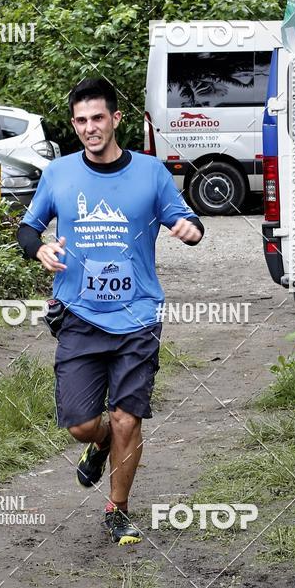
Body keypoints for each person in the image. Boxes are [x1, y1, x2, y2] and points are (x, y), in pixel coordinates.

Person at [17, 77, 203, 545]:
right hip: (78, 314)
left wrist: (189, 229)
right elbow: (27, 228)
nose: (89, 128)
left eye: (97, 118)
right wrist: (38, 248)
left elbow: (190, 220)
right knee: (81, 423)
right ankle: (99, 445)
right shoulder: (58, 174)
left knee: (127, 417)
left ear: (115, 119)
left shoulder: (150, 172)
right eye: (80, 120)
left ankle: (117, 508)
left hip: (138, 314)